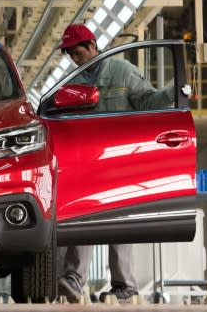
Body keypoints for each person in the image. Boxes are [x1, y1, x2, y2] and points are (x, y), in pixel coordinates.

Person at [55, 24, 175, 303]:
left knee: (118, 222)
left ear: (93, 46)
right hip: (88, 161)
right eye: (70, 54)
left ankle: (124, 285)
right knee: (81, 217)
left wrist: (175, 92)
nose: (74, 58)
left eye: (77, 52)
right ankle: (74, 278)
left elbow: (149, 102)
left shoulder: (123, 71)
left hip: (122, 160)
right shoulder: (73, 82)